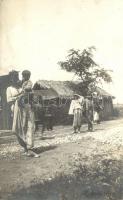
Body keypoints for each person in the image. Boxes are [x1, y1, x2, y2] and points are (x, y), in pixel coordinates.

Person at [10, 70, 39, 157]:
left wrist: (21, 93)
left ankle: (29, 148)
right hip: (21, 107)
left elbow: (27, 90)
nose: (25, 77)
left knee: (29, 125)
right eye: (24, 75)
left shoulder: (29, 82)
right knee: (23, 126)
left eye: (27, 75)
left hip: (27, 105)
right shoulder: (20, 83)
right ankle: (26, 148)